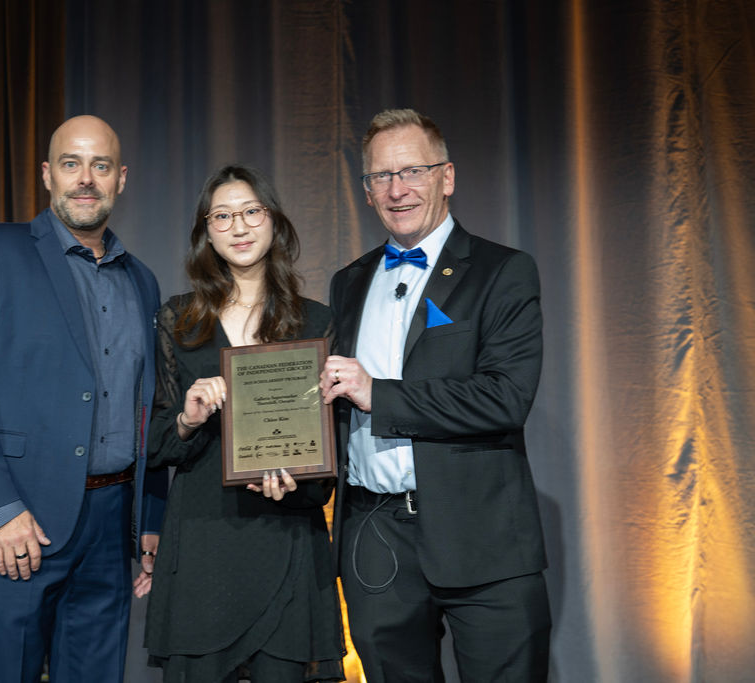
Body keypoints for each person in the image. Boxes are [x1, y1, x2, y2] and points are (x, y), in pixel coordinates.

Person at [0, 114, 166, 683]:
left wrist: (150, 517)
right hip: (21, 520)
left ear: (121, 178)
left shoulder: (143, 281)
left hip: (112, 525)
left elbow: (149, 405)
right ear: (48, 174)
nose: (86, 179)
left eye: (100, 165)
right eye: (71, 164)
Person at [318, 109, 551, 682]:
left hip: (484, 539)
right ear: (366, 190)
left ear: (446, 177)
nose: (397, 190)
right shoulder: (348, 282)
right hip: (376, 538)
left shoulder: (503, 271)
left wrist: (379, 394)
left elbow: (505, 397)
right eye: (381, 176)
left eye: (412, 171)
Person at [144, 165, 345, 683]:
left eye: (251, 211)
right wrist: (188, 420)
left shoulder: (317, 323)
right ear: (206, 233)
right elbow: (156, 444)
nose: (239, 227)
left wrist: (298, 485)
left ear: (273, 221)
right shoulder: (178, 320)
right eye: (223, 216)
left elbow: (331, 453)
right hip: (202, 545)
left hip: (287, 538)